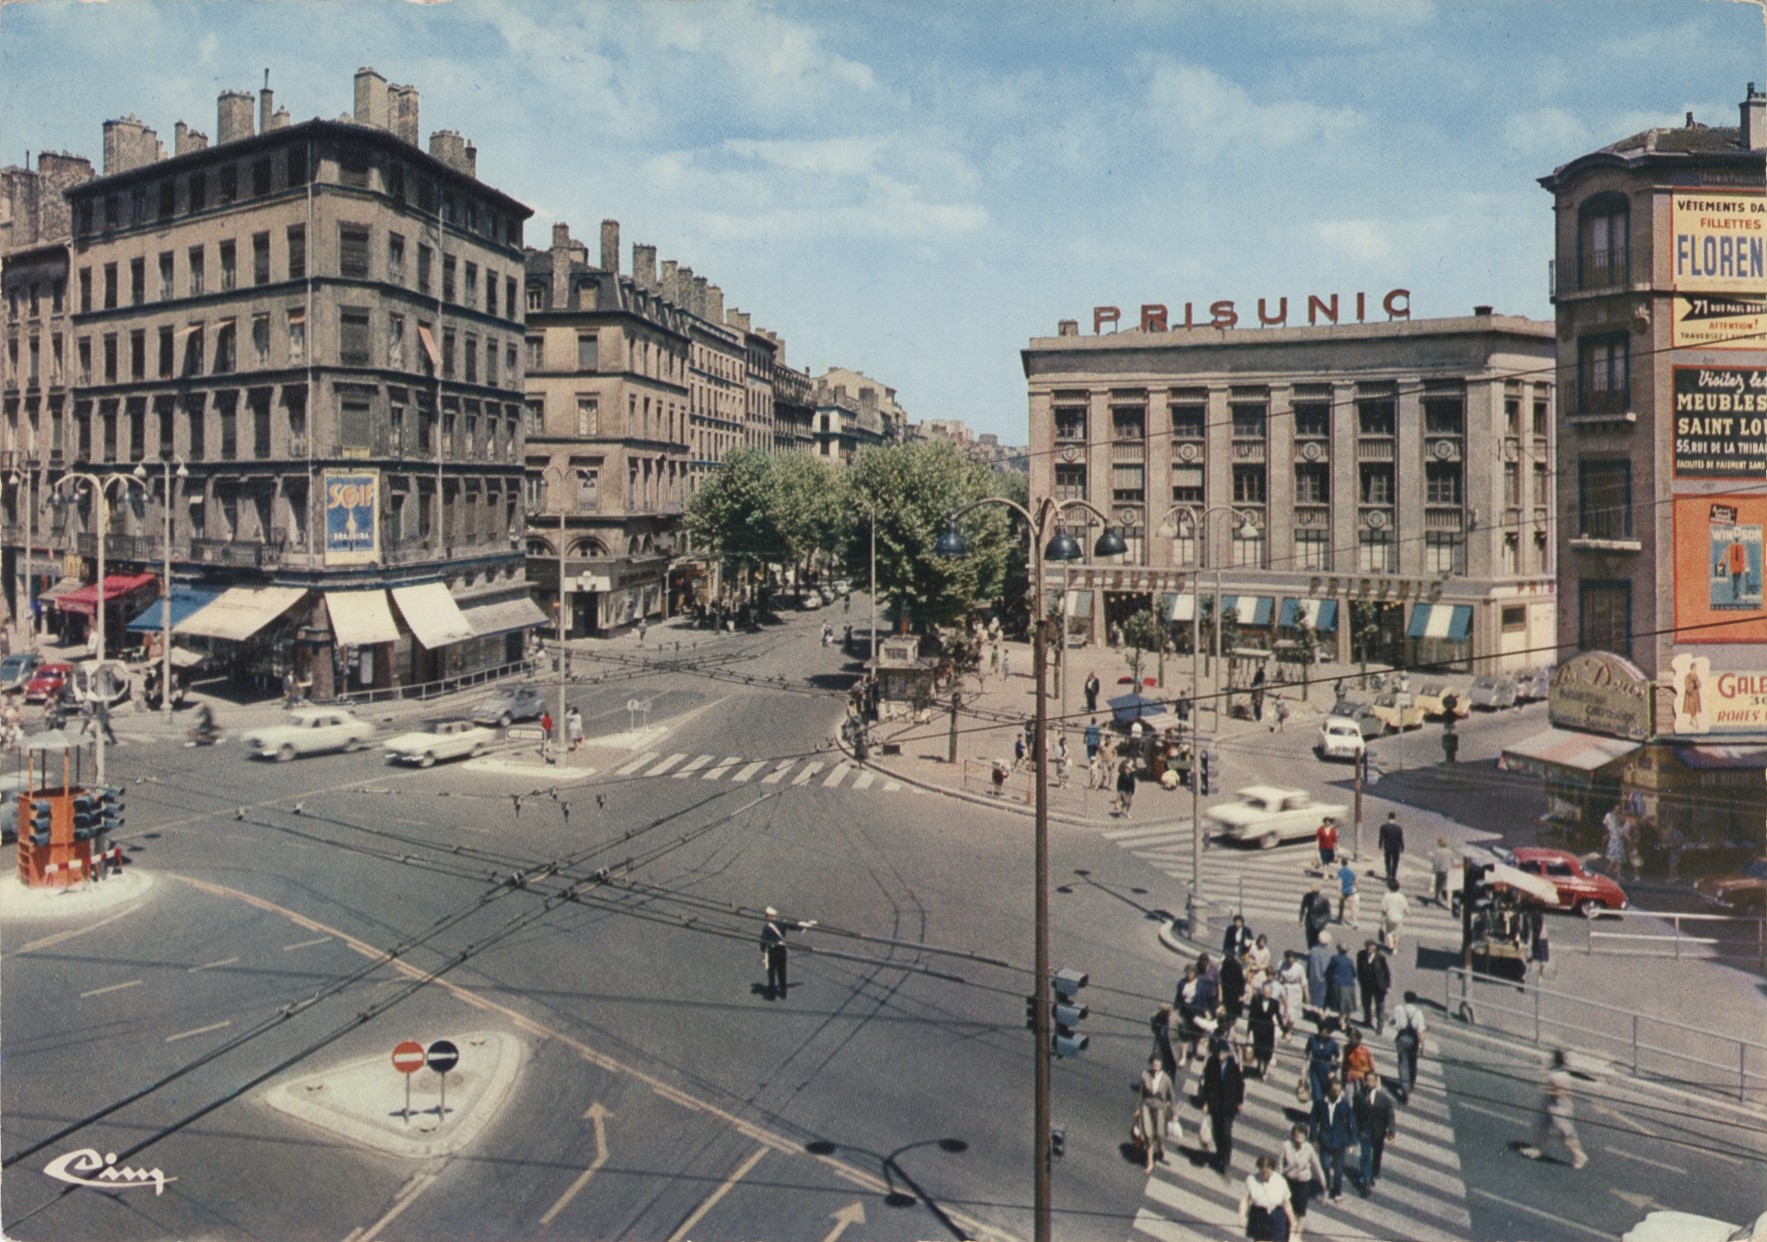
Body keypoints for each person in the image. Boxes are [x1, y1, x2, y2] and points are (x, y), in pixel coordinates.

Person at [1520, 1050, 1588, 1169]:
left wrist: (1547, 1089)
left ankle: (1579, 1156)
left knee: (1565, 1137)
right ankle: (1537, 1149)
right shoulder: (1559, 1073)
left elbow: (1562, 1093)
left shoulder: (1557, 1075)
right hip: (1551, 1107)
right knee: (1542, 1129)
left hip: (1558, 1110)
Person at [1199, 1036, 1245, 1175]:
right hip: (1215, 1105)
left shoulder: (1233, 1066)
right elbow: (1206, 1085)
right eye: (1219, 1052)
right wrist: (1205, 1102)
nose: (1221, 1055)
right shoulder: (1212, 1064)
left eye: (1223, 1053)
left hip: (1229, 1106)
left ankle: (1225, 1161)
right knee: (1217, 1133)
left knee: (1226, 1132)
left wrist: (1239, 1102)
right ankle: (1219, 1155)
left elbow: (1240, 1085)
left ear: (1227, 1054)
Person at [1308, 1076, 1356, 1204]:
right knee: (1324, 1165)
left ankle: (1337, 1191)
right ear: (1329, 1090)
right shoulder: (1320, 1103)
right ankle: (1326, 1187)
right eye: (1334, 1091)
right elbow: (1313, 1120)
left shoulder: (1344, 1105)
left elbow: (1351, 1123)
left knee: (1338, 1169)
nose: (1336, 1093)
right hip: (1324, 1139)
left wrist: (1352, 1142)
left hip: (1340, 1141)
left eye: (1338, 1091)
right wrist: (1313, 1137)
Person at [1276, 1125, 1326, 1240]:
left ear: (1305, 1137)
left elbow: (1317, 1167)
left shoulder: (1308, 1148)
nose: (1299, 1140)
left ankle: (1297, 1235)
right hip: (1289, 1181)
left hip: (1303, 1183)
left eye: (1302, 1136)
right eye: (1297, 1136)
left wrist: (1324, 1189)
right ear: (1293, 1136)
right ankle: (1289, 1232)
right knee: (1288, 1208)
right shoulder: (1286, 1146)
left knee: (1301, 1211)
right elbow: (1280, 1163)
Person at [1352, 1070, 1397, 1196]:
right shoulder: (1359, 1097)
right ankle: (1366, 1182)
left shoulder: (1384, 1099)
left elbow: (1390, 1117)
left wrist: (1390, 1134)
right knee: (1366, 1155)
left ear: (1376, 1081)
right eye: (1368, 1080)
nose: (1370, 1082)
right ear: (1364, 1081)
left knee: (1376, 1156)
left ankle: (1373, 1173)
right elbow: (1355, 1115)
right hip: (1365, 1132)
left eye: (1372, 1080)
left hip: (1378, 1133)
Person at [759, 905, 817, 1000]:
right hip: (782, 949)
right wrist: (803, 926)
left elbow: (763, 940)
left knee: (771, 972)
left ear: (769, 916)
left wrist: (762, 949)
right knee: (782, 971)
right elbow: (792, 926)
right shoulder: (781, 923)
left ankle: (772, 994)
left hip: (772, 951)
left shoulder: (766, 927)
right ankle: (783, 992)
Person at [1238, 1155, 1296, 1241]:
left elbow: (1286, 1204)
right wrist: (1241, 1216)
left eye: (1267, 1173)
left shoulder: (1280, 1181)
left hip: (1277, 1215)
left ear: (1272, 1169)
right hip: (1259, 1215)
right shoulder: (1251, 1180)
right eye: (1262, 1173)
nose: (1265, 1176)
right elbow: (1245, 1200)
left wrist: (1293, 1222)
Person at [1136, 1054, 1175, 1175]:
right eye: (1153, 1062)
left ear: (1161, 1064)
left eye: (1158, 1062)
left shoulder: (1166, 1079)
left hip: (1160, 1108)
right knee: (1148, 1134)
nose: (1155, 1064)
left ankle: (1162, 1145)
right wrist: (1138, 1108)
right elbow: (1141, 1093)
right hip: (1147, 1106)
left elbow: (1171, 1097)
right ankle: (1150, 1162)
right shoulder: (1145, 1075)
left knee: (1160, 1133)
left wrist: (1174, 1112)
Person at [1389, 990, 1428, 1102]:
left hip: (1402, 1038)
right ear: (1415, 1000)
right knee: (1413, 1062)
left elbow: (1391, 1021)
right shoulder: (1418, 1013)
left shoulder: (1398, 1009)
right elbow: (1420, 1031)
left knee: (1403, 1064)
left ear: (1404, 998)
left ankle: (1405, 1089)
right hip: (1413, 1040)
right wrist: (1422, 1046)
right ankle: (1411, 1083)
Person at [1247, 980, 1281, 1079]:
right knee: (1258, 1050)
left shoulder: (1274, 1003)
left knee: (1267, 1052)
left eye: (1269, 992)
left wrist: (1284, 1030)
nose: (1267, 994)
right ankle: (1258, 1067)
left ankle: (1265, 1071)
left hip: (1268, 1031)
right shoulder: (1257, 999)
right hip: (1258, 1029)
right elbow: (1252, 1015)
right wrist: (1249, 1030)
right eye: (1266, 992)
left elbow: (1277, 1016)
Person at [1357, 939, 1392, 1032]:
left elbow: (1386, 972)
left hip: (1379, 985)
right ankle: (1367, 1021)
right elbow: (1359, 970)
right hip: (1366, 985)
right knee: (1366, 1003)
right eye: (1368, 948)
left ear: (1374, 948)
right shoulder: (1361, 955)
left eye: (1372, 948)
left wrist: (1388, 985)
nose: (1369, 950)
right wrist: (1361, 981)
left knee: (1380, 1005)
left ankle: (1380, 1025)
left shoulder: (1380, 957)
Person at [1304, 1019, 1340, 1106]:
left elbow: (1338, 1057)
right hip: (1315, 1069)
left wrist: (1334, 1071)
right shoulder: (1312, 1039)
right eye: (1324, 1031)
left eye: (1328, 1031)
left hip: (1326, 1071)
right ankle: (1316, 1115)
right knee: (1317, 1095)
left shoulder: (1332, 1043)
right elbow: (1307, 1052)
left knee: (1324, 1095)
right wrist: (1303, 1067)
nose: (1325, 1033)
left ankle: (1319, 1114)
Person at [1326, 942, 1358, 1027]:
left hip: (1337, 984)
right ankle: (1343, 1020)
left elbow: (1329, 970)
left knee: (1340, 1003)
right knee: (1346, 1003)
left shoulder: (1334, 958)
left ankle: (1341, 1020)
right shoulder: (1350, 961)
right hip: (1349, 984)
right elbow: (1354, 973)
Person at [1276, 951, 1307, 1038]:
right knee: (1283, 1011)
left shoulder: (1299, 968)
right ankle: (1283, 1029)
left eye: (1292, 959)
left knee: (1292, 1013)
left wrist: (1306, 994)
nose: (1290, 961)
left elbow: (1304, 982)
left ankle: (1289, 1030)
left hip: (1295, 991)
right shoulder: (1282, 965)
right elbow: (1277, 978)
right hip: (1285, 989)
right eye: (1288, 959)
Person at [1305, 931, 1333, 1014]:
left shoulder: (1312, 951)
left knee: (1314, 996)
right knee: (1323, 997)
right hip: (1324, 979)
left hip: (1313, 977)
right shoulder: (1329, 953)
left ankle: (1314, 1012)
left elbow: (1309, 966)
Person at [1379, 880, 1409, 953]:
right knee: (1397, 933)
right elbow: (1405, 907)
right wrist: (1409, 915)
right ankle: (1395, 948)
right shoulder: (1401, 896)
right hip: (1399, 917)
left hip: (1389, 916)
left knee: (1389, 931)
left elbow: (1384, 908)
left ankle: (1391, 944)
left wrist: (1382, 918)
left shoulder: (1386, 896)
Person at [1299, 883, 1332, 949]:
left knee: (1318, 937)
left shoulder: (1324, 899)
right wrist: (1301, 920)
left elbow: (1328, 913)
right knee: (1309, 936)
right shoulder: (1307, 896)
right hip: (1310, 919)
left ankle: (1317, 950)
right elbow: (1302, 908)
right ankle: (1310, 950)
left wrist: (1324, 922)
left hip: (1320, 920)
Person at [1378, 811, 1405, 888]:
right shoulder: (1398, 828)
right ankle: (1393, 877)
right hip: (1396, 847)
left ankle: (1388, 875)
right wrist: (1402, 847)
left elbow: (1381, 838)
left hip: (1388, 847)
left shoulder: (1383, 827)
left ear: (1388, 817)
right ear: (1394, 818)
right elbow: (1400, 839)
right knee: (1395, 863)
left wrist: (1380, 845)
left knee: (1388, 862)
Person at [1431, 835, 1457, 906]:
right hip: (1447, 871)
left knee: (1438, 884)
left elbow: (1434, 861)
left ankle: (1436, 896)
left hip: (1439, 870)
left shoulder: (1436, 851)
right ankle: (1449, 903)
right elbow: (1452, 861)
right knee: (1448, 886)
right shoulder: (1450, 852)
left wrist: (1434, 869)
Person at [1336, 858, 1360, 929]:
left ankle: (1340, 917)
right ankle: (1354, 922)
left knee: (1341, 905)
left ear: (1341, 863)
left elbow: (1339, 882)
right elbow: (1356, 880)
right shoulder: (1351, 871)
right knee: (1352, 907)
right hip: (1350, 891)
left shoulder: (1340, 872)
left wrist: (1339, 891)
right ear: (1347, 863)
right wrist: (1357, 888)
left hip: (1343, 891)